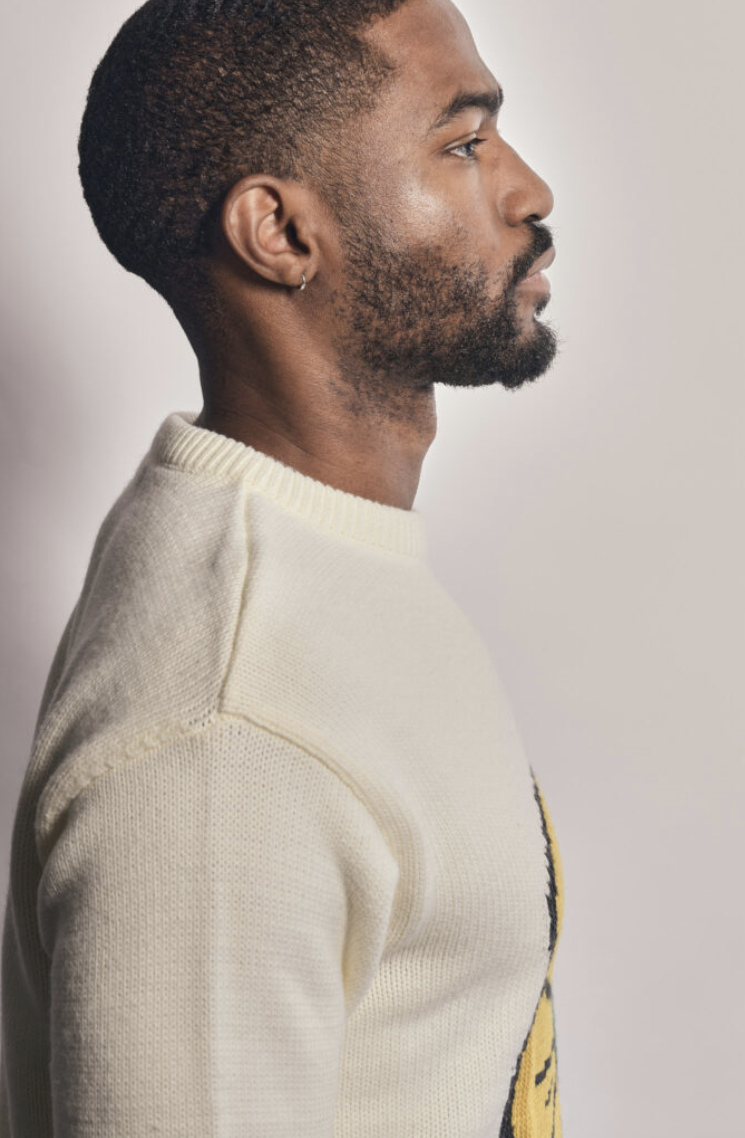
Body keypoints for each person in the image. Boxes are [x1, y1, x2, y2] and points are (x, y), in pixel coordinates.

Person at [0, 0, 565, 1134]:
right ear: (280, 233)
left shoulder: (324, 553)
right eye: (462, 143)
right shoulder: (222, 740)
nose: (529, 191)